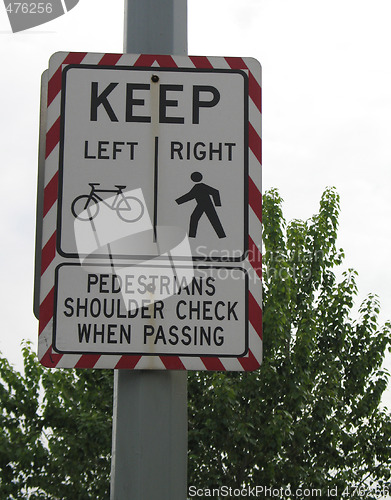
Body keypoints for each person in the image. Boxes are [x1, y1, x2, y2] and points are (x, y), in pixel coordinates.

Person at [175, 172, 226, 238]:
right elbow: (190, 196)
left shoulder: (201, 186)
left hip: (207, 205)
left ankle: (221, 236)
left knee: (213, 220)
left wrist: (217, 204)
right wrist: (178, 201)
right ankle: (192, 236)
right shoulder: (197, 187)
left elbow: (215, 192)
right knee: (194, 218)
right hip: (201, 205)